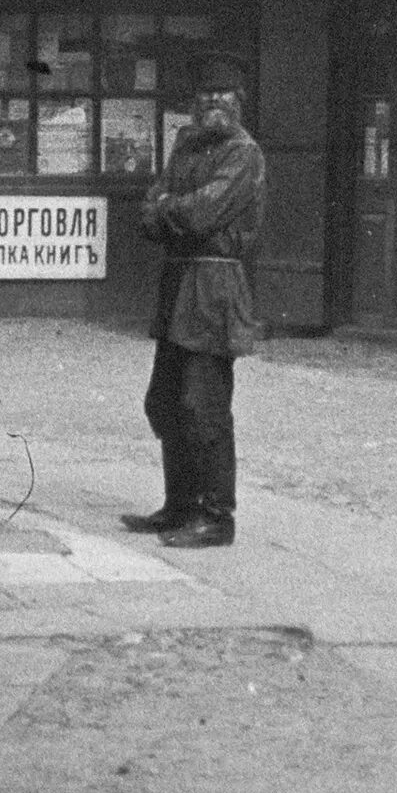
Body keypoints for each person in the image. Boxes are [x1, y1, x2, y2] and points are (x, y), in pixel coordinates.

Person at [125, 54, 265, 548]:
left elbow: (202, 214)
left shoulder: (243, 153)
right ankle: (180, 506)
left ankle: (216, 517)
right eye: (204, 95)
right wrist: (168, 209)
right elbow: (149, 213)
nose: (212, 103)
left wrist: (168, 209)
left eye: (222, 94)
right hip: (179, 281)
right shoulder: (186, 146)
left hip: (214, 287)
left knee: (203, 404)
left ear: (239, 102)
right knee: (164, 402)